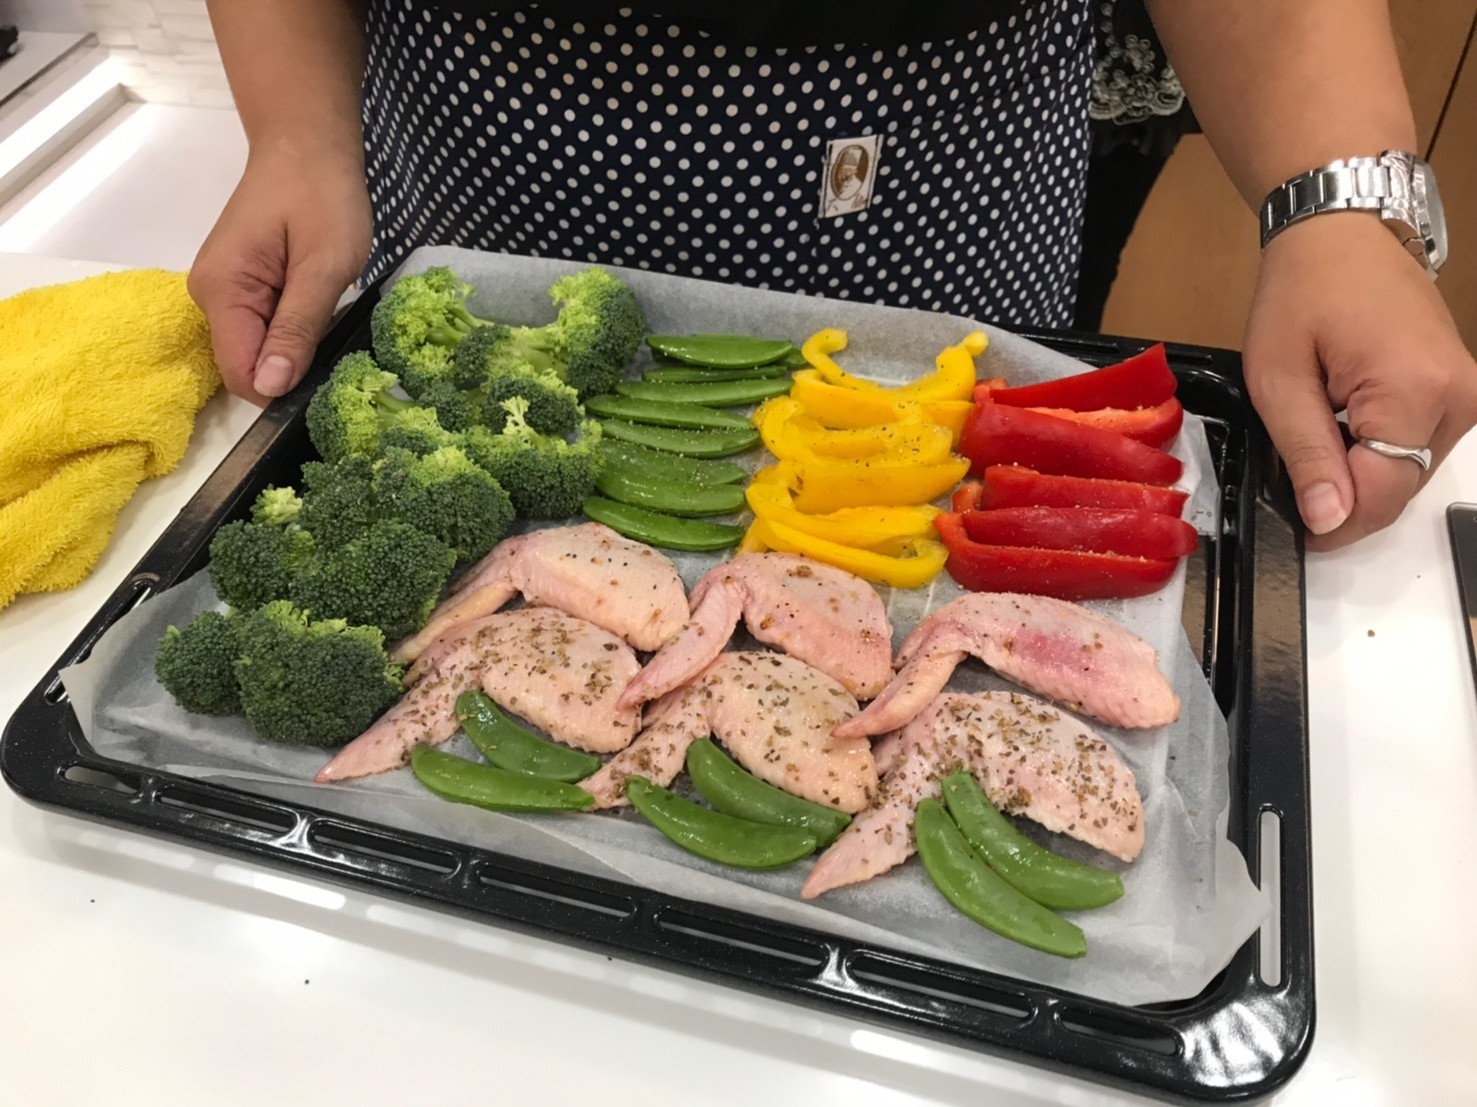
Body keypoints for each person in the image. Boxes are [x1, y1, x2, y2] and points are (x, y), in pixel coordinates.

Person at [189, 0, 1477, 552]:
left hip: (951, 158)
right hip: (493, 143)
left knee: (947, 482)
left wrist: (1341, 207)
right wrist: (296, 137)